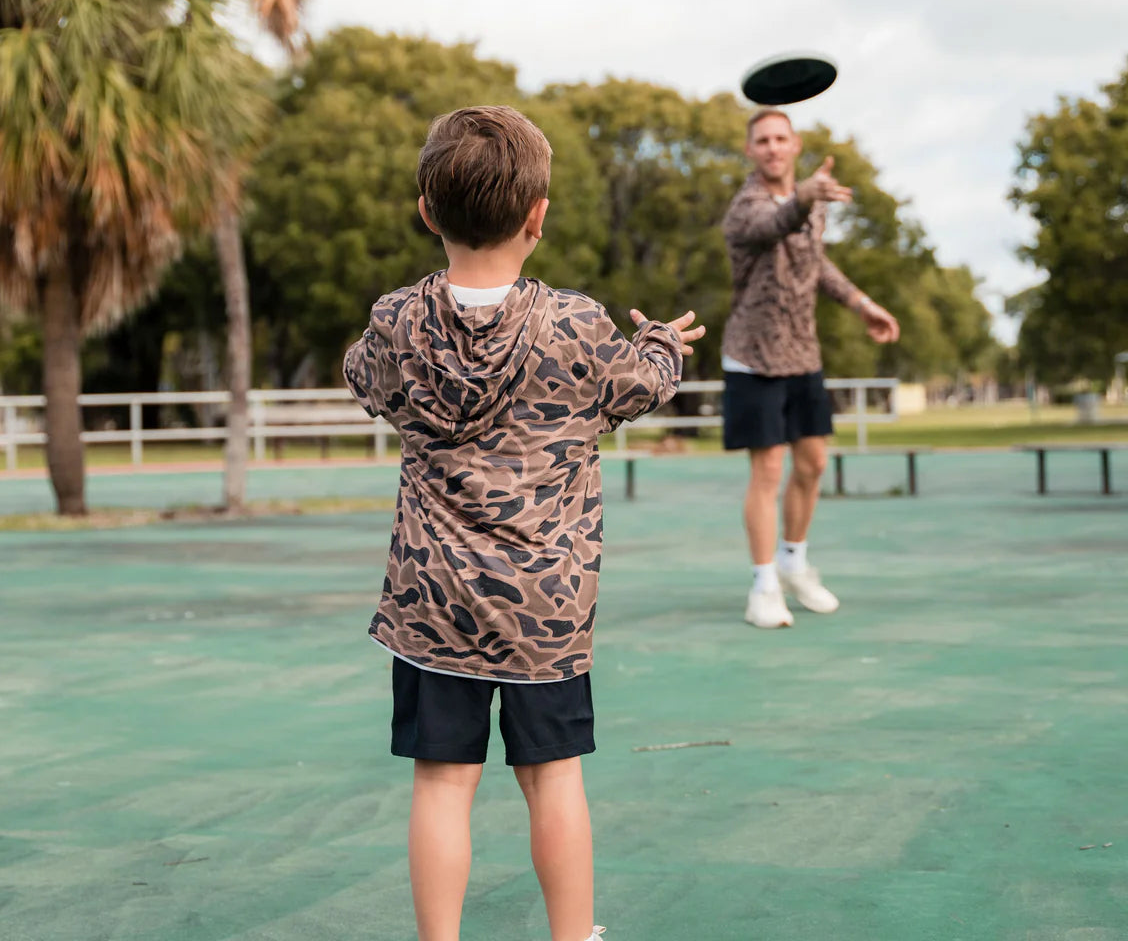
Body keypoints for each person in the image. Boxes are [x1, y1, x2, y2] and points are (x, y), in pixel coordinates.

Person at [344, 105, 703, 941]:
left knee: (441, 782)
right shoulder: (577, 325)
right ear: (538, 217)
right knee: (553, 779)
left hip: (435, 604)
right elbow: (639, 387)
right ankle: (571, 938)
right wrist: (661, 344)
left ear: (427, 212)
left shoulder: (397, 320)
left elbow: (366, 381)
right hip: (545, 604)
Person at [721, 107, 900, 629]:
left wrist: (863, 302)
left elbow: (817, 262)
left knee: (814, 464)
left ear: (795, 145)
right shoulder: (745, 208)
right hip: (752, 357)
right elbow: (777, 223)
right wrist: (807, 195)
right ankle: (763, 586)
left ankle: (794, 564)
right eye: (763, 140)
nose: (773, 147)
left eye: (781, 138)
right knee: (768, 470)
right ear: (751, 150)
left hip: (803, 354)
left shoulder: (812, 205)